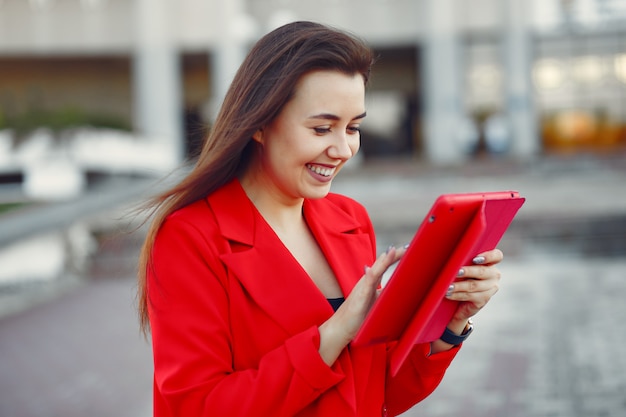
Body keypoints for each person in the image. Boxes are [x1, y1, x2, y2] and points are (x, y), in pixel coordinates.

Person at [137, 21, 503, 417]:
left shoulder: (350, 219)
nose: (343, 149)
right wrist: (332, 334)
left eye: (354, 127)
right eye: (322, 128)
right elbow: (198, 407)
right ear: (260, 123)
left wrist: (449, 324)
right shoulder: (190, 237)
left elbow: (377, 394)